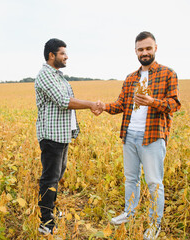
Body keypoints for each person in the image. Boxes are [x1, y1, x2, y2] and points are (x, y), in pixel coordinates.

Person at [98, 31, 181, 240]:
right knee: (131, 179)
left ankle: (154, 224)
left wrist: (152, 101)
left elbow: (174, 105)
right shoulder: (130, 78)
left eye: (148, 48)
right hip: (130, 136)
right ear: (135, 51)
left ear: (155, 48)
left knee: (154, 182)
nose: (144, 52)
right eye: (140, 49)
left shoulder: (167, 74)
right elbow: (120, 105)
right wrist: (103, 107)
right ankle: (129, 213)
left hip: (152, 137)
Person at [35, 38, 103, 235]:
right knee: (49, 178)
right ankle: (46, 222)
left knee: (57, 175)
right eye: (63, 53)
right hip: (51, 136)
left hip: (62, 134)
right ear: (52, 55)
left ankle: (51, 211)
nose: (66, 56)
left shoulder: (58, 76)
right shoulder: (45, 76)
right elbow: (64, 101)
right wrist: (91, 104)